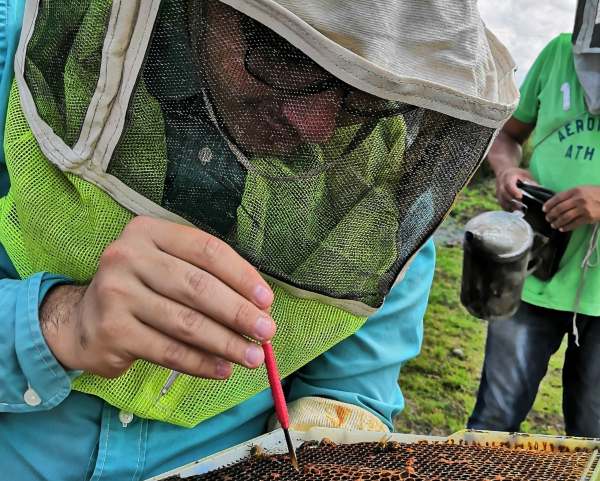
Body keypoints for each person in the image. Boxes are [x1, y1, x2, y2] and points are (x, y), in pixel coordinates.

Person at [0, 1, 516, 479]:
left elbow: (354, 386)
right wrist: (58, 321)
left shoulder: (384, 185)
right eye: (289, 56)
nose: (317, 126)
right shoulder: (16, 45)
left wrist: (325, 441)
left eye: (360, 94)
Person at [468, 1, 600, 437]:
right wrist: (507, 170)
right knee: (493, 423)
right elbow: (506, 133)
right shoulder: (559, 52)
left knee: (592, 437)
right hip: (531, 272)